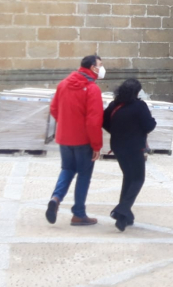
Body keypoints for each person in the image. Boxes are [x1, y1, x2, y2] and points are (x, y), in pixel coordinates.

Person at [46, 55, 105, 226]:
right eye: (100, 65)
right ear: (93, 68)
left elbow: (54, 109)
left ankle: (56, 198)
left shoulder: (63, 84)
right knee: (84, 175)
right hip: (83, 140)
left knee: (67, 169)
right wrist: (96, 145)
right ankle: (78, 213)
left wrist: (66, 123)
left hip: (64, 137)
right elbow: (94, 120)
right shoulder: (92, 89)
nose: (102, 68)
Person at [103, 78, 156, 232]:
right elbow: (149, 125)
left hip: (118, 147)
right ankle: (121, 209)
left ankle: (125, 217)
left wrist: (116, 131)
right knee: (138, 179)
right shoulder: (139, 106)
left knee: (128, 177)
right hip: (134, 148)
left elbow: (104, 121)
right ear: (136, 92)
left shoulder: (114, 105)